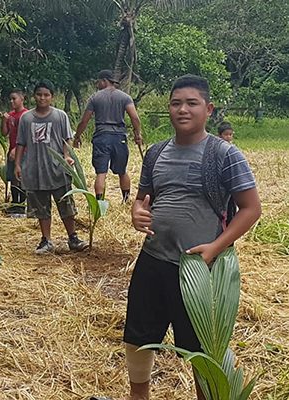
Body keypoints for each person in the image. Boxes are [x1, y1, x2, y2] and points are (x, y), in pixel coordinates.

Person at [124, 75, 261, 400]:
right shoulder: (156, 153)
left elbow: (251, 209)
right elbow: (143, 200)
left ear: (208, 109)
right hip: (154, 259)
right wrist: (136, 213)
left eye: (191, 103)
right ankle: (138, 396)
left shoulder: (224, 154)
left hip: (199, 269)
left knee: (201, 349)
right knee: (138, 337)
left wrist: (215, 248)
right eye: (175, 103)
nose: (182, 109)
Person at [15, 80, 89, 255]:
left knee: (66, 204)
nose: (42, 98)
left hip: (57, 169)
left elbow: (66, 140)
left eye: (46, 95)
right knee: (41, 207)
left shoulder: (60, 116)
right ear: (34, 96)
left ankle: (73, 237)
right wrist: (18, 164)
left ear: (52, 97)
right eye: (39, 94)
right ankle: (46, 240)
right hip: (35, 169)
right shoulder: (27, 118)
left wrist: (67, 156)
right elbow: (20, 143)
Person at [73, 70, 142, 203]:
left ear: (104, 80)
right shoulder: (124, 97)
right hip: (119, 137)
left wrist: (78, 136)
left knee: (101, 172)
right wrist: (137, 134)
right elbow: (135, 117)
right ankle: (126, 199)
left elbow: (85, 120)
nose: (97, 84)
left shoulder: (95, 98)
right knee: (122, 171)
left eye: (98, 81)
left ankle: (99, 203)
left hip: (101, 137)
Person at [1, 89, 28, 214]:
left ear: (21, 100)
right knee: (12, 176)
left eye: (14, 99)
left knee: (20, 176)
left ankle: (22, 203)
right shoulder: (11, 115)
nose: (12, 101)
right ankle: (15, 201)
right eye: (10, 99)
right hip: (12, 149)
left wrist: (16, 149)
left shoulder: (26, 115)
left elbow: (27, 136)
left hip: (22, 151)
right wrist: (4, 121)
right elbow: (4, 133)